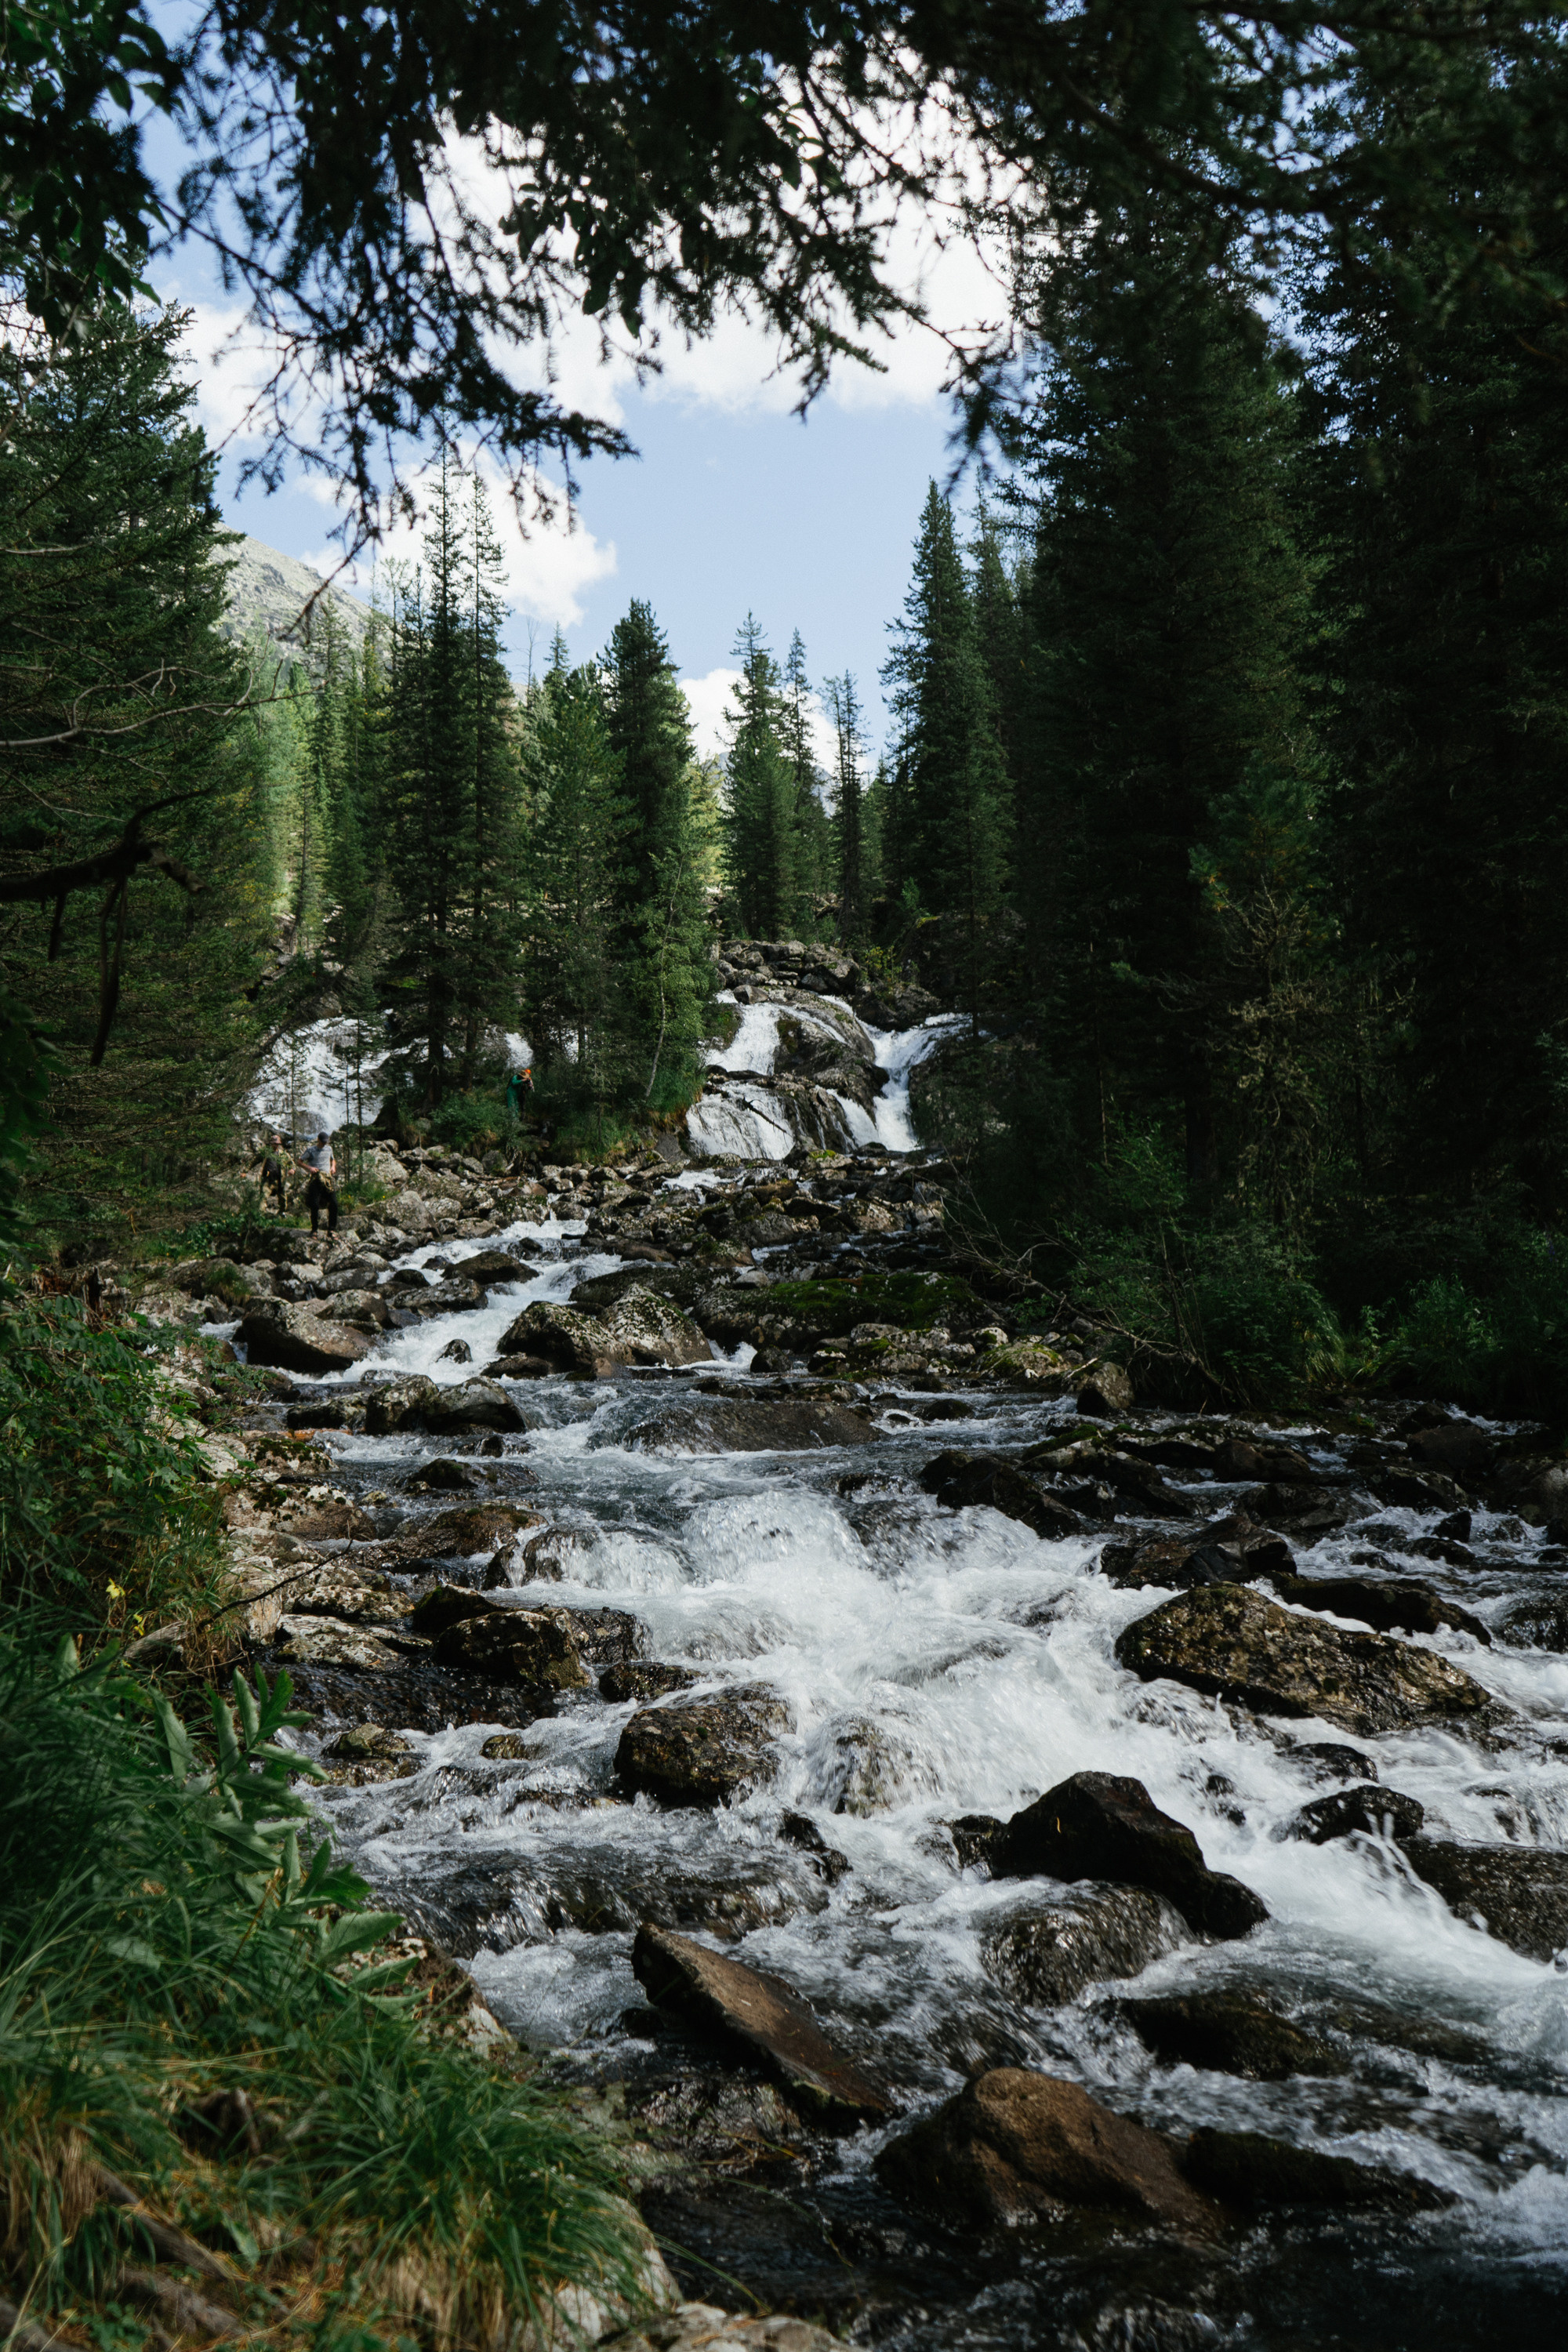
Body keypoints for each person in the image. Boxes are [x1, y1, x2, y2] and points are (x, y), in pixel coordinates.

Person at [299, 1131, 339, 1234]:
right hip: (316, 1179)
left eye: (326, 1142)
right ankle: (314, 1230)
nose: (325, 1143)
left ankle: (332, 1229)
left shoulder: (329, 1148)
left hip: (327, 1179)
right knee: (314, 1205)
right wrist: (309, 1168)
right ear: (318, 1140)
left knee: (334, 1203)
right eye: (323, 1142)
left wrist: (333, 1166)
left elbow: (333, 1159)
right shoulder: (311, 1150)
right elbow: (299, 1161)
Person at [254, 1131, 292, 1215]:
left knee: (283, 1200)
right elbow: (254, 1161)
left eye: (277, 1144)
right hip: (268, 1180)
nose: (276, 1145)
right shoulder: (266, 1153)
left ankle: (281, 1213)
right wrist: (245, 1171)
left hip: (280, 1181)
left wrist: (292, 1169)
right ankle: (260, 1216)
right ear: (271, 1144)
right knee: (263, 1197)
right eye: (274, 1143)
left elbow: (292, 1164)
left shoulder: (284, 1155)